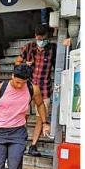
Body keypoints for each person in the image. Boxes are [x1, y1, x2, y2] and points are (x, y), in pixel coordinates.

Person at [15, 24, 55, 155]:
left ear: (47, 37)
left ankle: (33, 145)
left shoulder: (52, 49)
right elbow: (17, 62)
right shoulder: (29, 47)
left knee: (41, 117)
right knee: (23, 115)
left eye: (43, 38)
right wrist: (24, 64)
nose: (41, 41)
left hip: (44, 88)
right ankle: (21, 141)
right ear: (35, 36)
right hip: (27, 87)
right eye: (39, 38)